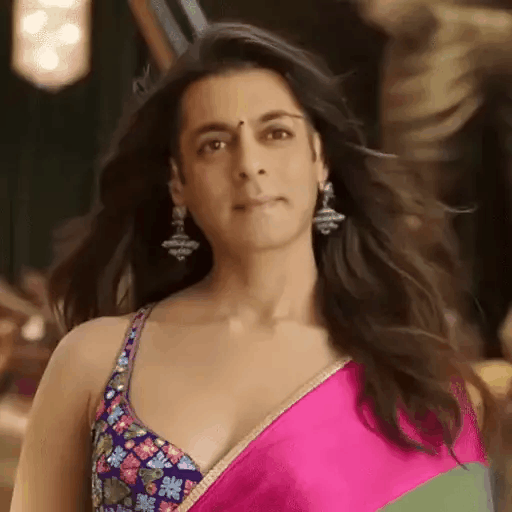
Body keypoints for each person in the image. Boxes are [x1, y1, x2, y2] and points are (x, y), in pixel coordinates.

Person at [10, 22, 498, 512]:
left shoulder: (413, 386)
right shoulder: (93, 361)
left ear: (320, 159)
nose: (249, 164)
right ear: (179, 182)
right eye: (214, 144)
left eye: (276, 133)